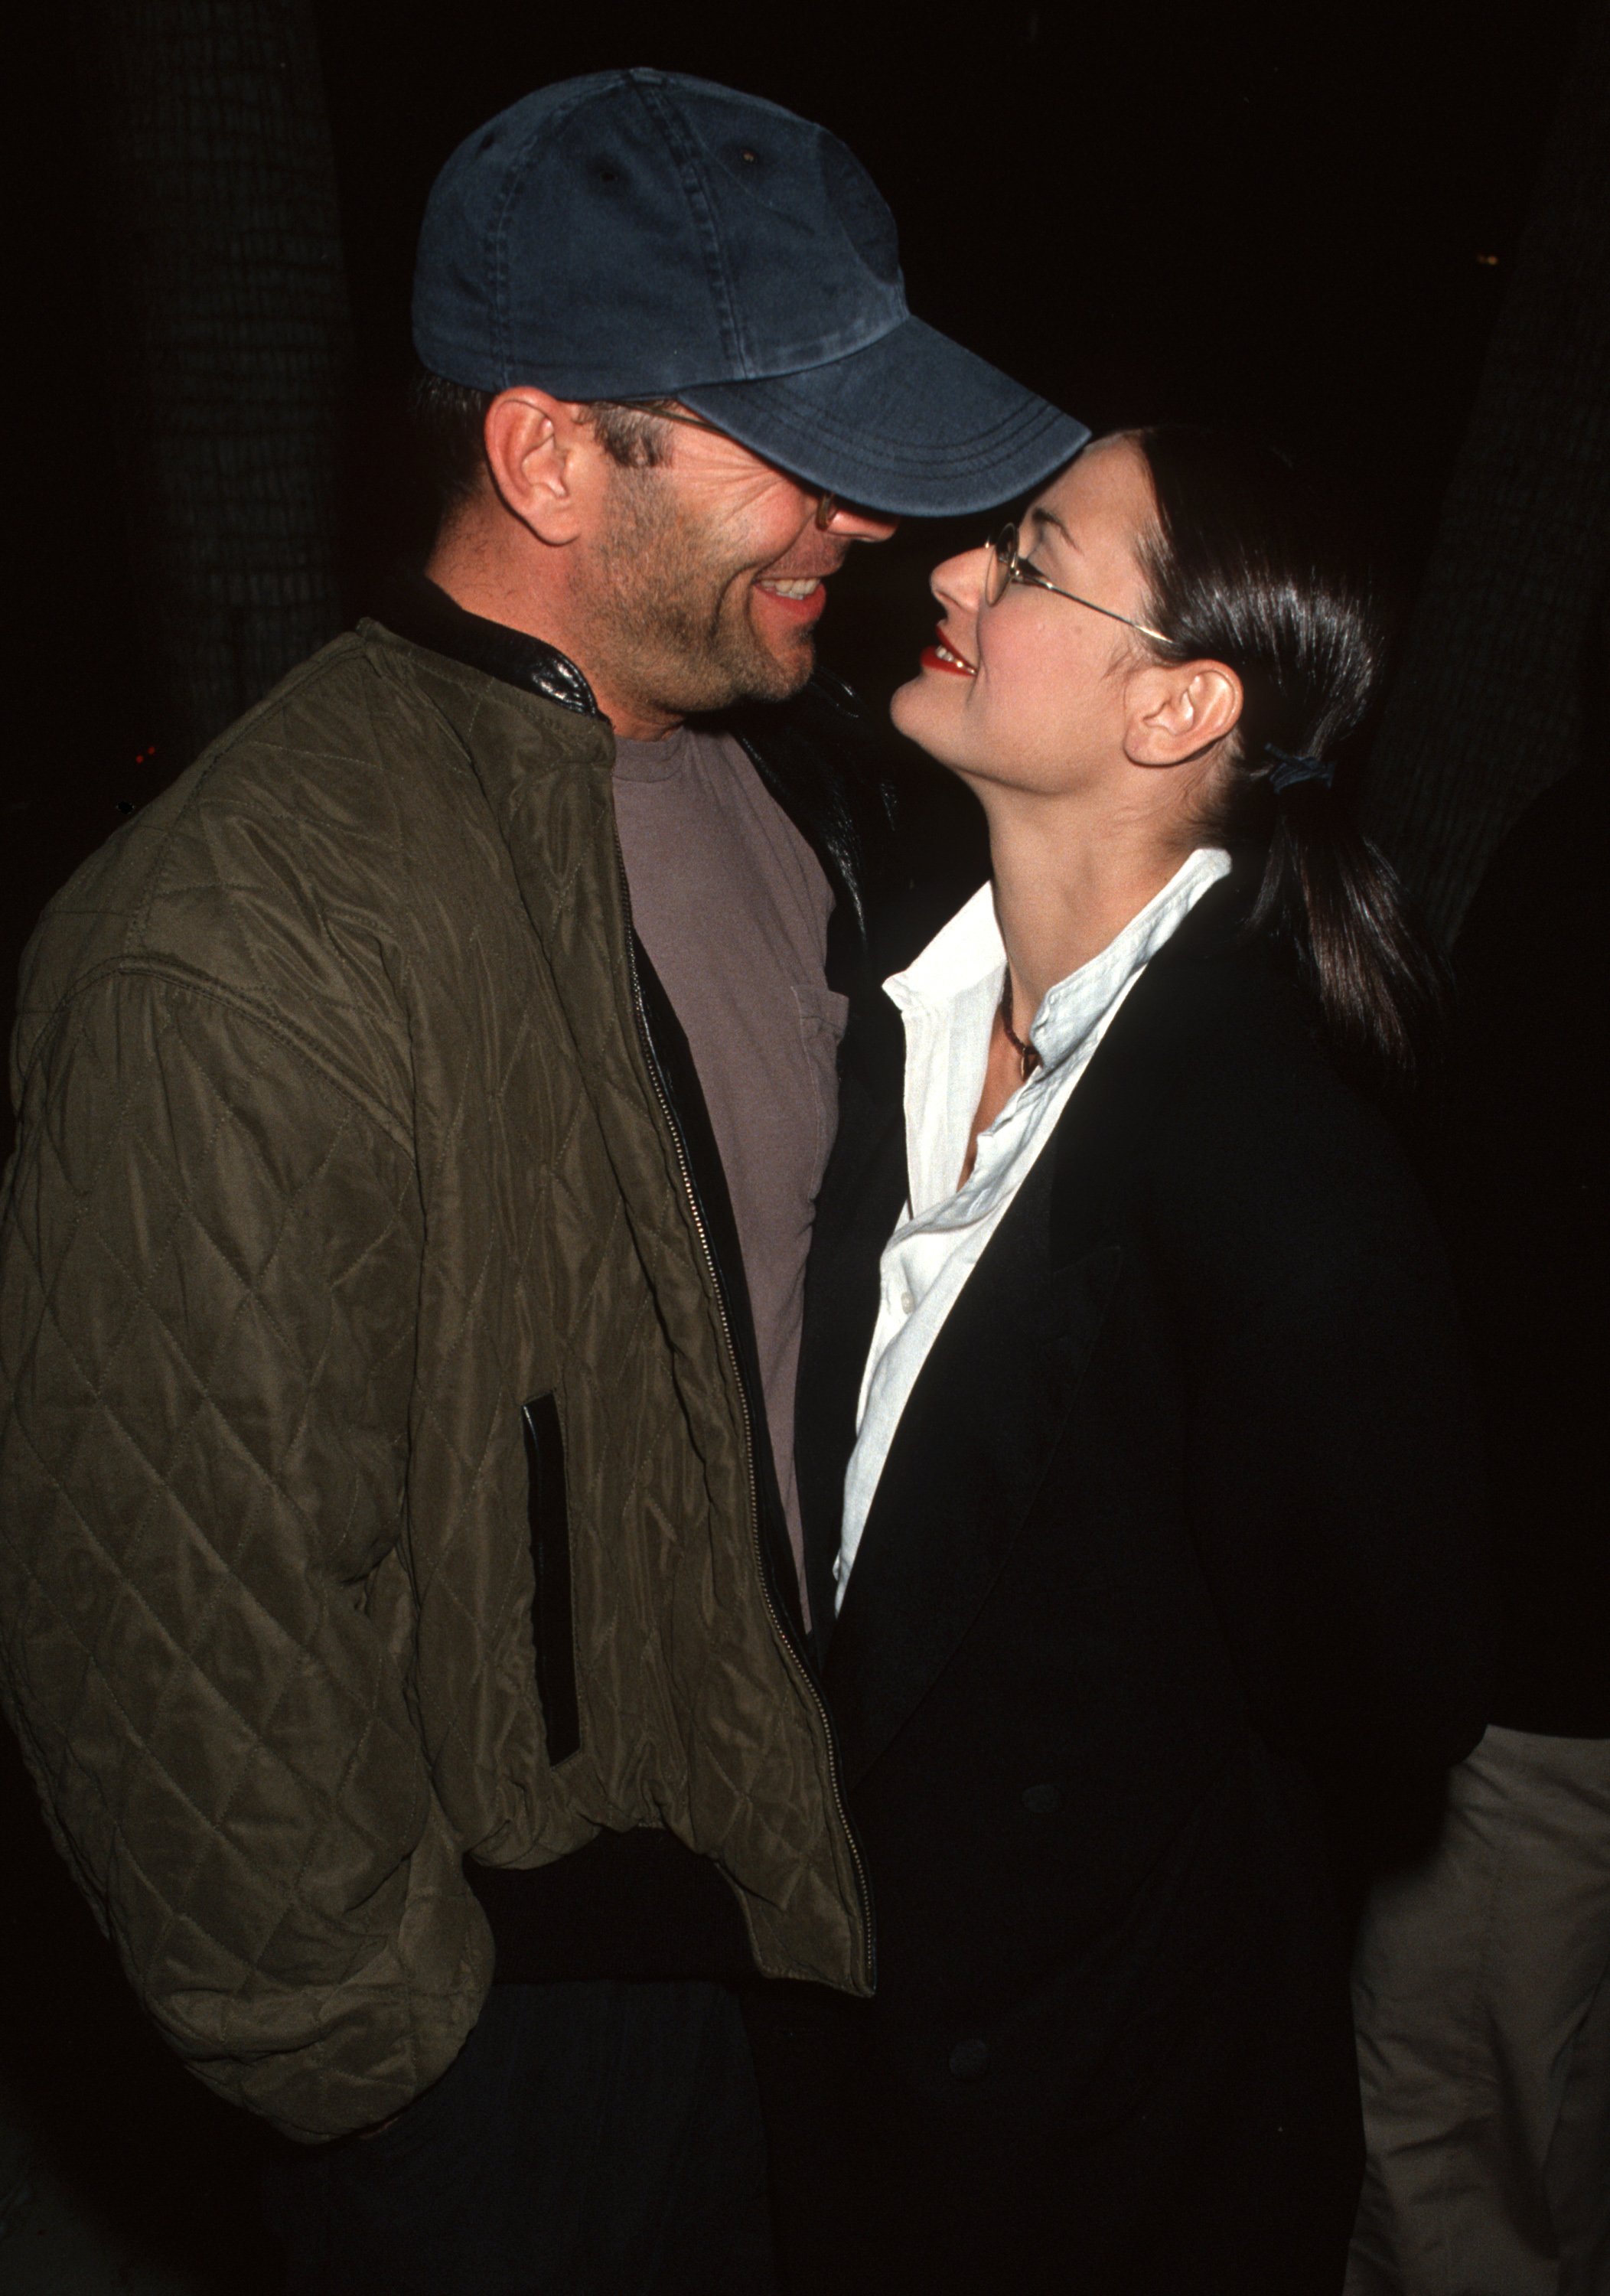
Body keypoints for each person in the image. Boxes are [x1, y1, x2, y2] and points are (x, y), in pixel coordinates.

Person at [0, 68, 1085, 2296]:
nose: (863, 523)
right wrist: (399, 2063)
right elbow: (168, 1629)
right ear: (550, 452)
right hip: (517, 2041)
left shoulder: (763, 788)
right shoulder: (232, 942)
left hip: (787, 1945)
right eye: (800, 451)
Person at [746, 426, 1491, 2294]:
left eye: (1028, 556)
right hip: (845, 2063)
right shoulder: (893, 1006)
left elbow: (1386, 1691)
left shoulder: (1271, 1167)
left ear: (1178, 709)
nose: (949, 575)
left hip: (1092, 2139)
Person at [1348, 735, 1610, 2295]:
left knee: (1442, 2142)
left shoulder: (1583, 850)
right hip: (1543, 1653)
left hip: (1545, 1663)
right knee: (1541, 2128)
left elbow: (1501, 1262)